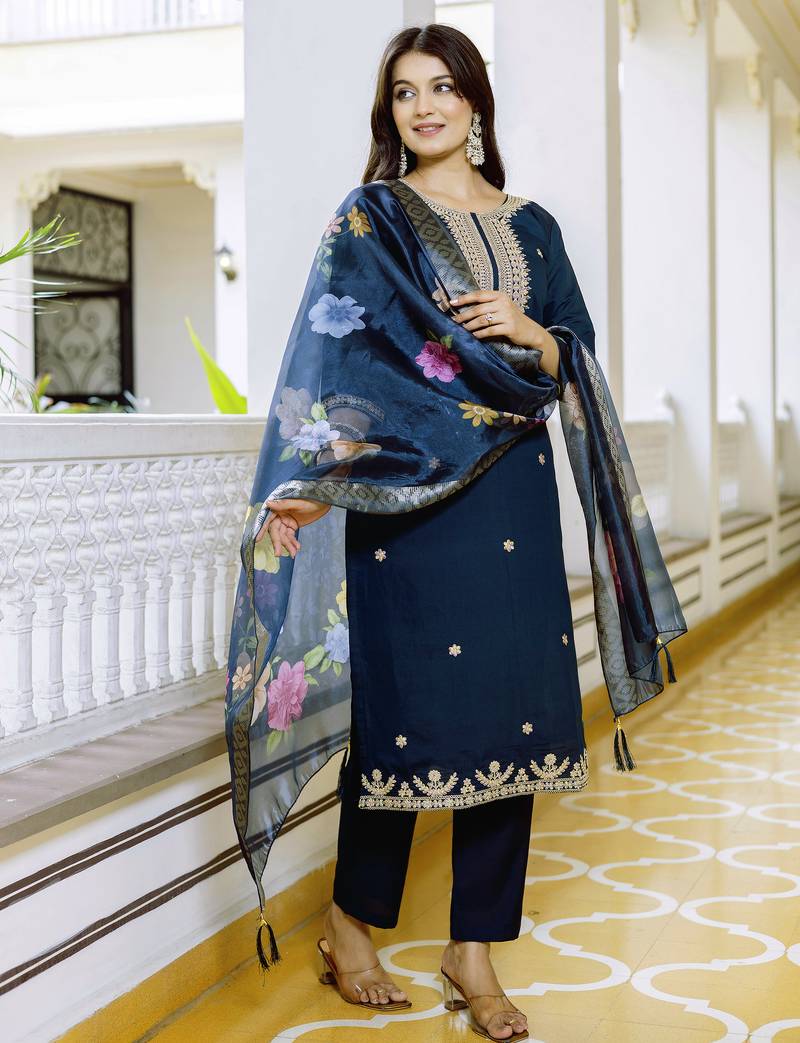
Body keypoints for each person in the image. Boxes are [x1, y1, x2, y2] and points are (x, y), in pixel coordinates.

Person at [225, 23, 686, 1043]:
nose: (424, 107)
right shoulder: (375, 218)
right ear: (388, 112)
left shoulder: (535, 229)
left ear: (475, 102)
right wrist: (313, 488)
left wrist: (532, 333)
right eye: (405, 92)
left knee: (511, 714)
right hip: (405, 506)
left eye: (442, 87)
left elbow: (575, 354)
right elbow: (344, 363)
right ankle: (351, 922)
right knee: (402, 711)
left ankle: (471, 949)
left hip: (512, 493)